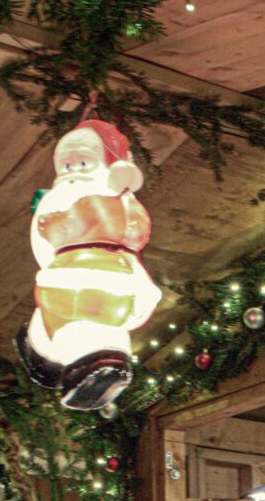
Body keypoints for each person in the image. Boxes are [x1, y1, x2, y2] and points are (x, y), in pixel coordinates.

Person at [16, 118, 161, 410]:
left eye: (82, 163)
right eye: (66, 166)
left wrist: (143, 288)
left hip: (104, 286)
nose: (71, 174)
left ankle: (97, 367)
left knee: (91, 331)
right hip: (61, 280)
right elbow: (43, 242)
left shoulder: (114, 203)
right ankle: (45, 356)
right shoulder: (57, 201)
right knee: (48, 326)